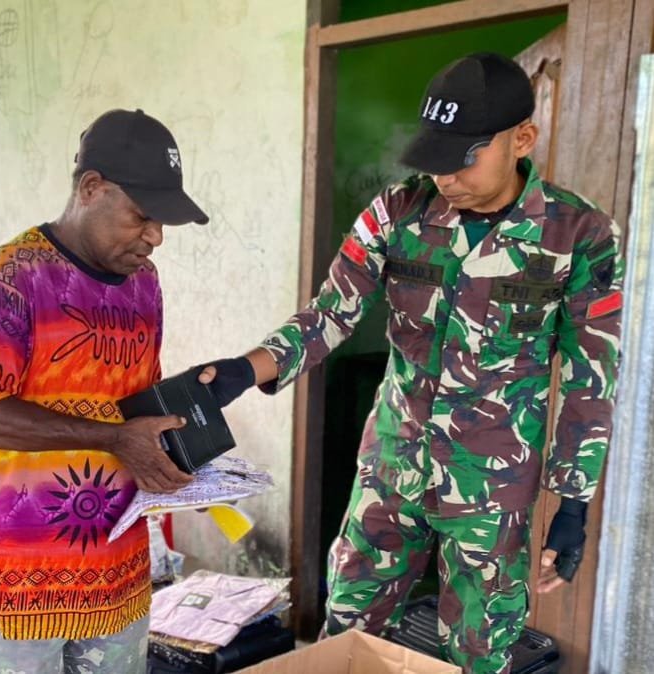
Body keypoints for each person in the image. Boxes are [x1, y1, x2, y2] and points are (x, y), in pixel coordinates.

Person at [198, 53, 624, 674]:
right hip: (391, 468)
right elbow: (330, 313)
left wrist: (574, 503)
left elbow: (591, 377)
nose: (445, 176)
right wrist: (244, 371)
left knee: (480, 651)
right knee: (345, 631)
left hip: (492, 490)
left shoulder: (579, 234)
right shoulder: (397, 212)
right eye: (434, 157)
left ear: (522, 139)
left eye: (464, 158)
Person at [0, 108, 205, 673]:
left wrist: (183, 450)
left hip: (120, 568)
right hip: (26, 574)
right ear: (91, 188)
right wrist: (113, 439)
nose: (155, 237)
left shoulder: (144, 284)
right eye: (142, 217)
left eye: (161, 222)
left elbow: (136, 401)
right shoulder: (14, 276)